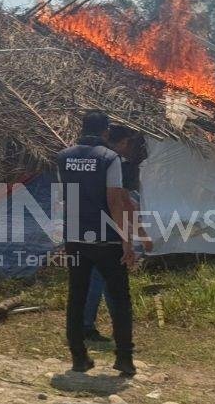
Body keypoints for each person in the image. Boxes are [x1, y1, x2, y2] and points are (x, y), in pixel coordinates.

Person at [57, 111, 137, 377]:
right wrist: (126, 240)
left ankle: (79, 359)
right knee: (120, 299)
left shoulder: (63, 157)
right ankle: (124, 360)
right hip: (105, 239)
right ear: (105, 132)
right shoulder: (109, 158)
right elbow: (114, 201)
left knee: (76, 297)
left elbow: (65, 199)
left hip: (75, 237)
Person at [82, 125, 151, 343]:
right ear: (121, 143)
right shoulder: (114, 164)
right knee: (104, 280)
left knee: (98, 279)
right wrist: (136, 237)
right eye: (127, 143)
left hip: (84, 228)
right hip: (108, 231)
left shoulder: (85, 161)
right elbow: (123, 203)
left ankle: (96, 325)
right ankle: (91, 326)